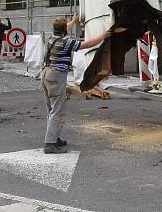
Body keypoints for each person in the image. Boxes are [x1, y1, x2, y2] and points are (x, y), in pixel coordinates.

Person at [41, 14, 111, 154]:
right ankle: (49, 144)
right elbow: (86, 45)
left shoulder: (52, 38)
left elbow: (64, 28)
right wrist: (103, 35)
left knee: (51, 109)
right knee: (57, 110)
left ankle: (54, 138)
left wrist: (74, 20)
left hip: (46, 74)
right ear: (64, 31)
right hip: (56, 76)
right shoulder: (66, 42)